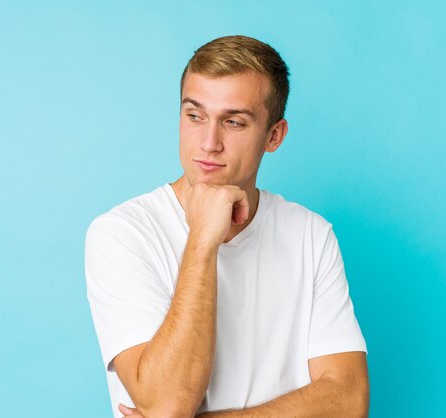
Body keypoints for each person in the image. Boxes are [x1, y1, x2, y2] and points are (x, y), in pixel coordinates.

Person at [85, 35, 369, 418]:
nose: (208, 142)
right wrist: (203, 239)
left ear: (274, 136)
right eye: (194, 115)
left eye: (233, 122)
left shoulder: (311, 235)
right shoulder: (122, 234)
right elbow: (167, 404)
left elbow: (349, 401)